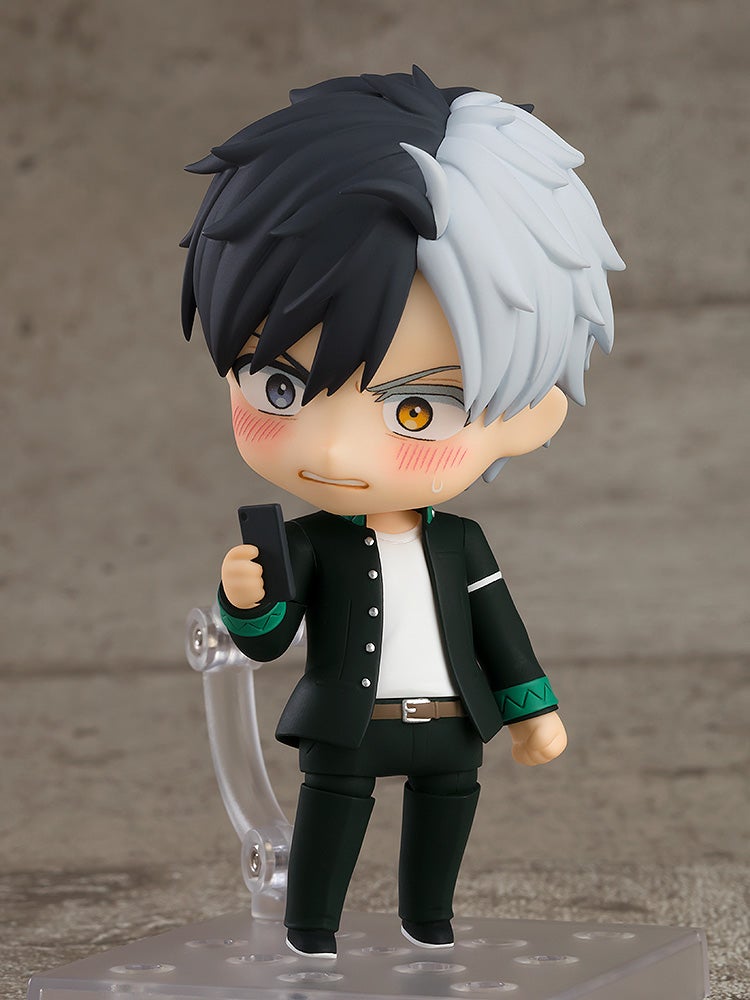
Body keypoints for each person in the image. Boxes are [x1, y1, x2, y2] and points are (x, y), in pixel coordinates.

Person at [180, 66, 624, 958]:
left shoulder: (463, 544)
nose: (337, 453)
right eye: (281, 386)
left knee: (446, 816)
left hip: (452, 724)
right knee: (332, 819)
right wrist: (246, 599)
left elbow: (501, 632)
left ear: (531, 413)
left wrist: (533, 711)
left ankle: (432, 925)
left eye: (416, 410)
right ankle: (311, 932)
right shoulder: (307, 543)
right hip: (345, 728)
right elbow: (268, 640)